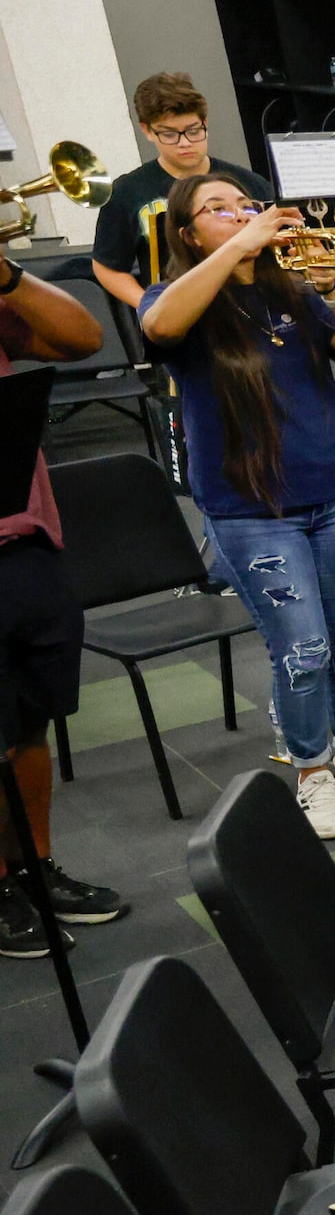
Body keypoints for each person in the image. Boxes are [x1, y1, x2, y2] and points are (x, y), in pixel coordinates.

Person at [139, 175, 335, 839]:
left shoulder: (293, 289)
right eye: (216, 210)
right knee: (303, 650)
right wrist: (241, 245)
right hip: (251, 509)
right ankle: (311, 774)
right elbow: (159, 324)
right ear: (189, 234)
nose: (240, 215)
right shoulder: (181, 300)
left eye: (247, 206)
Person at [0, 256, 127, 957]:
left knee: (32, 721)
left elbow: (82, 340)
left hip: (27, 543)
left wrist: (8, 275)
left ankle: (34, 866)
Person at [89, 71, 273, 313]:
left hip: (251, 310)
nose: (184, 143)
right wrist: (149, 306)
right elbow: (108, 265)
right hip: (174, 314)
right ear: (147, 131)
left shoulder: (249, 185)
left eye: (194, 131)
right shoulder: (127, 192)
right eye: (169, 134)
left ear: (205, 123)